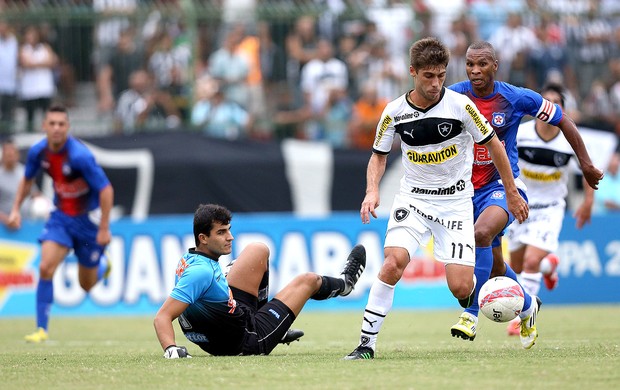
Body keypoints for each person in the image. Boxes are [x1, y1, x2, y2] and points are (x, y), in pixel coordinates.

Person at [344, 37, 528, 360]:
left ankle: (522, 299)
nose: (436, 83)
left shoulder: (460, 106)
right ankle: (365, 345)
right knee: (392, 263)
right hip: (412, 201)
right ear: (412, 72)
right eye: (429, 76)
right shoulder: (394, 112)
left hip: (455, 204)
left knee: (460, 288)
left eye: (441, 75)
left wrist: (511, 192)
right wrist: (372, 190)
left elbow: (496, 146)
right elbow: (378, 156)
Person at [447, 41, 603, 348]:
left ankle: (470, 314)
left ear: (496, 65)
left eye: (482, 64)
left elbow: (563, 120)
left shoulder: (515, 97)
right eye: (469, 64)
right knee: (494, 267)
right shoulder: (454, 95)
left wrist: (585, 164)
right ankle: (530, 307)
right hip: (465, 191)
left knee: (480, 234)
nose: (475, 71)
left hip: (504, 188)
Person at [153, 203, 366, 358]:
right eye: (221, 232)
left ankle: (272, 323)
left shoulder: (190, 258)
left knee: (258, 250)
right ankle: (346, 284)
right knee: (308, 281)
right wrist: (171, 349)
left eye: (228, 230)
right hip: (244, 339)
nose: (230, 237)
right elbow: (162, 316)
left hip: (223, 325)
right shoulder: (201, 272)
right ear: (203, 238)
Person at [7, 105, 114, 343]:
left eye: (61, 124)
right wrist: (15, 210)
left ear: (68, 128)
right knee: (45, 267)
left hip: (87, 220)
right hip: (61, 218)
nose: (56, 128)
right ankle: (41, 329)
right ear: (44, 126)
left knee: (85, 285)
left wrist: (104, 227)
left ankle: (102, 265)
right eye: (52, 123)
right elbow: (26, 181)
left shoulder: (80, 156)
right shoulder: (38, 152)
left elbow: (106, 189)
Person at [505, 83, 596, 335]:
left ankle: (522, 318)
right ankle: (549, 267)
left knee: (532, 260)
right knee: (519, 266)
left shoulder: (570, 141)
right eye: (546, 102)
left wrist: (588, 202)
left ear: (562, 112)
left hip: (551, 208)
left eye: (556, 103)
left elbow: (588, 169)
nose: (550, 107)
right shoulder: (520, 133)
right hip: (520, 207)